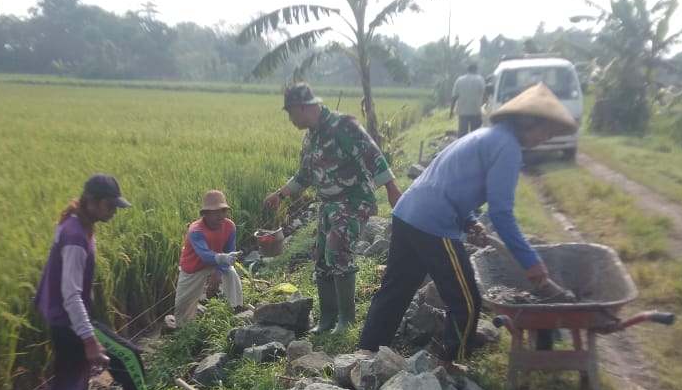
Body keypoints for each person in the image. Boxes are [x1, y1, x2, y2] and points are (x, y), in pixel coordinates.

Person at [358, 82, 577, 371]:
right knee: (467, 302)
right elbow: (502, 214)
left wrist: (470, 221)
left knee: (396, 289)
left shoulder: (486, 136)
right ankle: (449, 364)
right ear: (528, 121)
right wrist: (531, 261)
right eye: (545, 131)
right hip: (432, 224)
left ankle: (367, 351)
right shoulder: (508, 147)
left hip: (407, 213)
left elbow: (451, 184)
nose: (545, 138)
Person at [264, 82, 403, 335]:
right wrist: (280, 194)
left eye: (291, 112)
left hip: (353, 200)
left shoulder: (343, 126)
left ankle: (346, 320)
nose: (291, 119)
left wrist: (392, 189)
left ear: (304, 108)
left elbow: (373, 155)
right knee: (321, 257)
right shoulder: (310, 138)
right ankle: (327, 317)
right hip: (328, 206)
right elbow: (305, 174)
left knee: (337, 248)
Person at [34, 173, 153, 390]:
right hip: (69, 319)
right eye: (110, 206)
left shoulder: (75, 223)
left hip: (63, 318)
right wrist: (89, 340)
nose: (113, 212)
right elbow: (71, 293)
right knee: (128, 356)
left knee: (71, 378)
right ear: (92, 202)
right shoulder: (75, 236)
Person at [172, 189, 245, 327]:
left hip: (217, 261)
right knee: (184, 303)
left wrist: (218, 272)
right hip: (193, 267)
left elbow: (230, 251)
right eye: (216, 212)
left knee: (231, 273)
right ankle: (184, 329)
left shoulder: (229, 226)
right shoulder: (196, 231)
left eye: (223, 211)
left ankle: (237, 309)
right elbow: (205, 254)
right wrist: (223, 258)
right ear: (205, 214)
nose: (221, 216)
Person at [450, 63, 487, 138]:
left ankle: (462, 148)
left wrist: (451, 110)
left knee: (462, 135)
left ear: (468, 70)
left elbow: (454, 97)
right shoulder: (480, 79)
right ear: (476, 70)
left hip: (463, 112)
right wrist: (485, 106)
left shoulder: (459, 80)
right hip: (475, 111)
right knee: (476, 134)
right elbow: (485, 95)